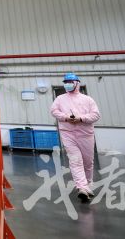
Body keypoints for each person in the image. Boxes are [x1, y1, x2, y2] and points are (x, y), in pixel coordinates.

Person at [50, 73, 100, 202]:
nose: (67, 84)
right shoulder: (60, 99)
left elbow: (96, 115)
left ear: (77, 83)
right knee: (75, 160)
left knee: (88, 162)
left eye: (70, 82)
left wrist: (81, 118)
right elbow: (54, 111)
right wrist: (66, 117)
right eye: (66, 82)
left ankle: (88, 185)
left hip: (85, 134)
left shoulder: (88, 100)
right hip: (68, 133)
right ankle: (81, 187)